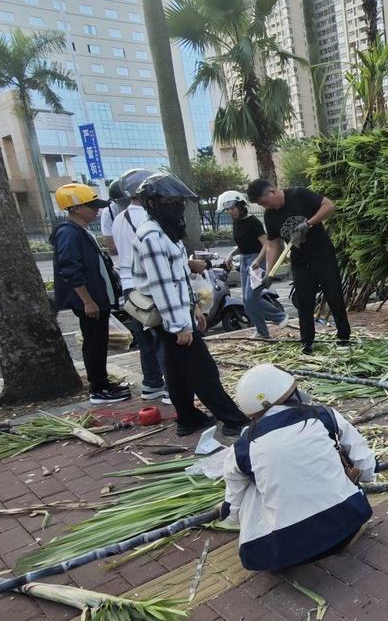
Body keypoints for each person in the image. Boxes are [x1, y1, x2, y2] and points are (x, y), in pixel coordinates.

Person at [217, 364, 376, 572]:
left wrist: (226, 513)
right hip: (347, 526)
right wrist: (365, 477)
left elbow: (231, 513)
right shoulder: (324, 416)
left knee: (248, 486)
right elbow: (365, 463)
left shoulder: (242, 448)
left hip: (287, 552)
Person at [130, 174, 248, 437]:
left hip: (176, 314)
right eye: (171, 201)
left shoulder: (165, 232)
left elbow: (178, 276)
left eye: (179, 201)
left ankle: (187, 417)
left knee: (176, 370)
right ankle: (233, 420)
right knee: (202, 369)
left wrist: (193, 307)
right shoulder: (152, 237)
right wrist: (180, 325)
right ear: (153, 203)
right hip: (169, 318)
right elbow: (162, 285)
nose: (178, 206)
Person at [247, 178, 350, 355]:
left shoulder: (299, 195)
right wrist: (271, 271)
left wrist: (309, 223)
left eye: (264, 203)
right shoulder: (270, 215)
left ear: (272, 192)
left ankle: (344, 337)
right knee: (304, 303)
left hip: (323, 256)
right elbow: (274, 244)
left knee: (334, 297)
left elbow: (329, 206)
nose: (265, 207)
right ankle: (307, 342)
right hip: (300, 262)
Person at [50, 183, 131, 403]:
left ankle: (102, 383)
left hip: (97, 298)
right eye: (91, 206)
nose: (96, 210)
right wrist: (88, 301)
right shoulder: (68, 233)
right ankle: (98, 389)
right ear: (75, 208)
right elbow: (70, 268)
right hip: (89, 301)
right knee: (94, 343)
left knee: (99, 341)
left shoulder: (80, 231)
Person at [108, 168, 168, 402]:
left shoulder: (119, 218)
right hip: (146, 285)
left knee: (145, 341)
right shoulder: (146, 218)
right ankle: (171, 388)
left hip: (128, 288)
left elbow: (115, 249)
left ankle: (152, 384)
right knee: (163, 336)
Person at [217, 190, 286, 338]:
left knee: (250, 299)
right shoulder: (236, 222)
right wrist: (231, 254)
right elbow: (243, 244)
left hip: (256, 262)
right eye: (228, 210)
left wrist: (258, 260)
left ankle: (279, 317)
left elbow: (266, 244)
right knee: (247, 302)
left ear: (241, 206)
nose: (230, 212)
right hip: (244, 261)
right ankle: (263, 332)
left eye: (232, 208)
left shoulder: (253, 222)